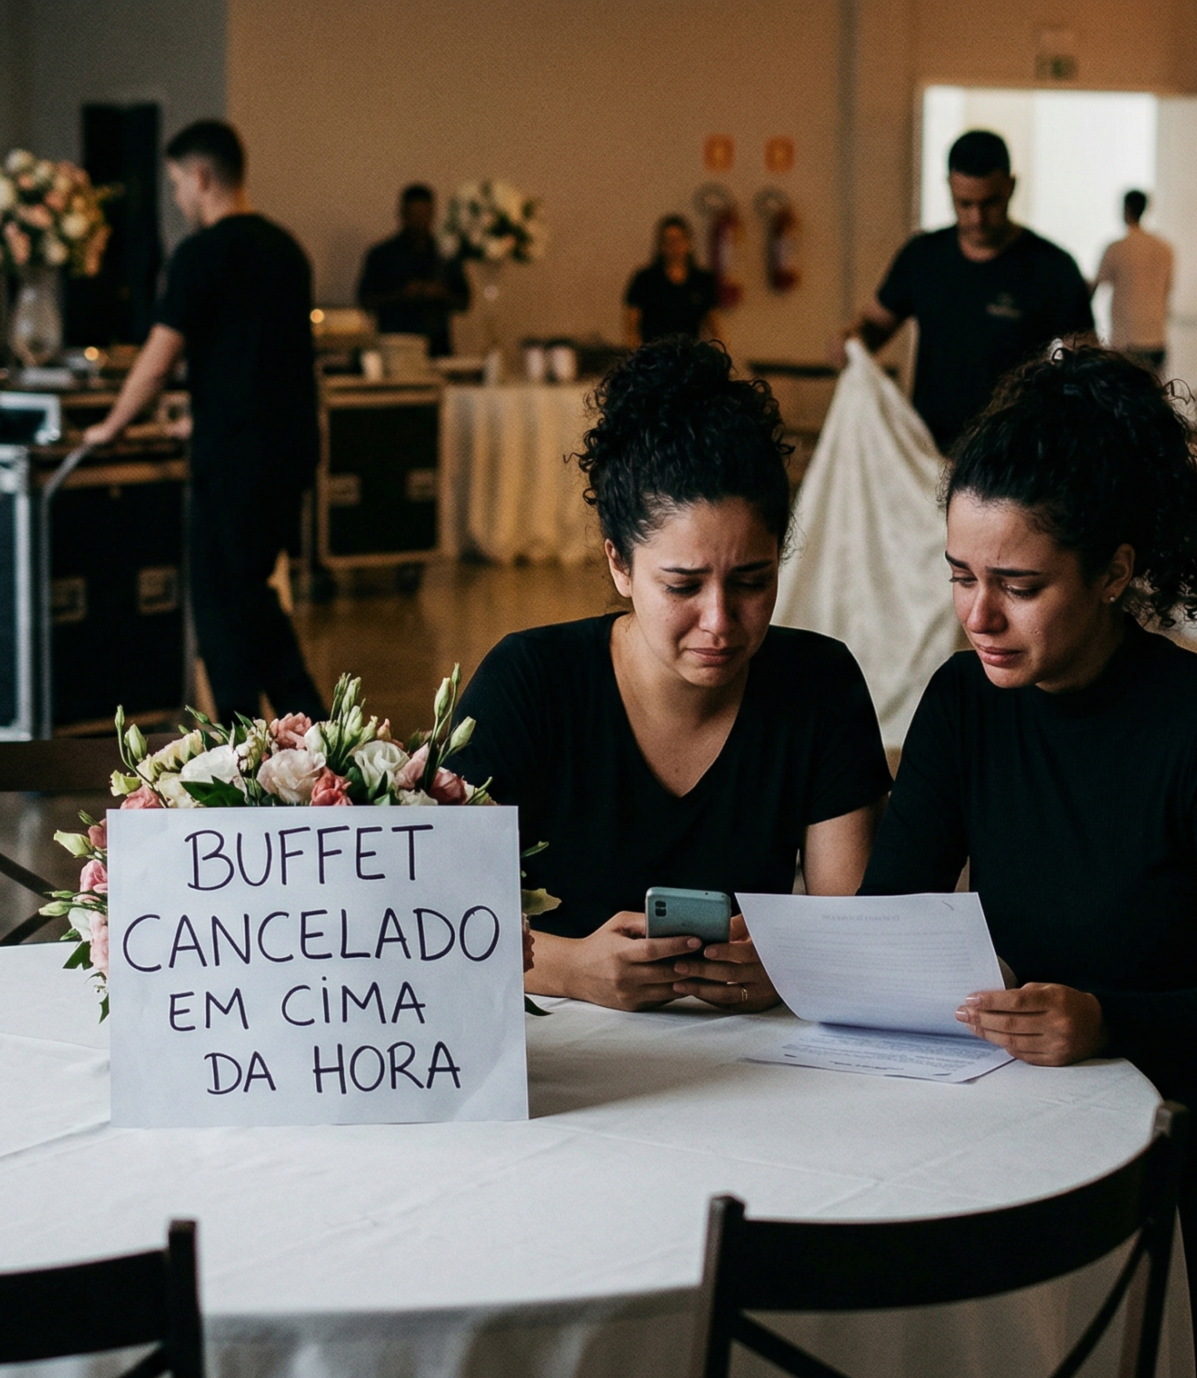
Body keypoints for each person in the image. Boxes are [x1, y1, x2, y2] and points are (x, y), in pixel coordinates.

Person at [863, 346, 1197, 1378]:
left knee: (1038, 1335)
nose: (978, 617)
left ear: (1114, 571)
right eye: (962, 577)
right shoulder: (964, 704)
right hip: (1045, 1142)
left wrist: (1107, 1018)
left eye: (1017, 586)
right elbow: (893, 923)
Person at [446, 337, 890, 1012]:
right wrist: (569, 970)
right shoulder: (532, 681)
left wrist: (789, 966)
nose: (719, 621)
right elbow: (432, 922)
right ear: (619, 564)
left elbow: (853, 931)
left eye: (752, 581)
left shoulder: (818, 684)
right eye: (683, 585)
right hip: (564, 1054)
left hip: (753, 1065)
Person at [84, 120, 324, 722]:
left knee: (221, 611)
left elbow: (158, 361)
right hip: (287, 453)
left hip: (231, 460)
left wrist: (109, 426)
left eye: (175, 184)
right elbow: (266, 362)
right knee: (251, 597)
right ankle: (312, 735)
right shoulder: (287, 249)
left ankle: (251, 747)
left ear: (201, 176)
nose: (177, 198)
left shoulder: (199, 255)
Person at [846, 129, 1094, 450]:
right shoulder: (922, 256)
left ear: (1011, 187)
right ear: (949, 187)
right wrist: (849, 343)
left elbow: (1086, 361)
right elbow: (874, 326)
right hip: (931, 451)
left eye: (990, 203)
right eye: (964, 204)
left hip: (1016, 452)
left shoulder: (1051, 267)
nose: (977, 218)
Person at [355, 183, 468, 358]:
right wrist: (402, 294)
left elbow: (465, 302)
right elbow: (365, 300)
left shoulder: (445, 254)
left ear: (432, 215)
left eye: (424, 215)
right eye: (414, 215)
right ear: (402, 215)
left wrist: (440, 293)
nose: (419, 222)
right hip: (395, 348)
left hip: (438, 348)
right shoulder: (382, 255)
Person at [1091, 189, 1173, 374]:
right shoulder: (1165, 249)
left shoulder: (1117, 248)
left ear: (1125, 209)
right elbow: (1167, 290)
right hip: (1156, 338)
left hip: (1126, 340)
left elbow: (1095, 288)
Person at [622, 215, 722, 346]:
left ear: (689, 243)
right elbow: (631, 326)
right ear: (661, 246)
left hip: (688, 356)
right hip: (654, 356)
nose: (674, 246)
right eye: (668, 241)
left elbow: (715, 324)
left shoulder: (702, 280)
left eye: (679, 240)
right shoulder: (645, 279)